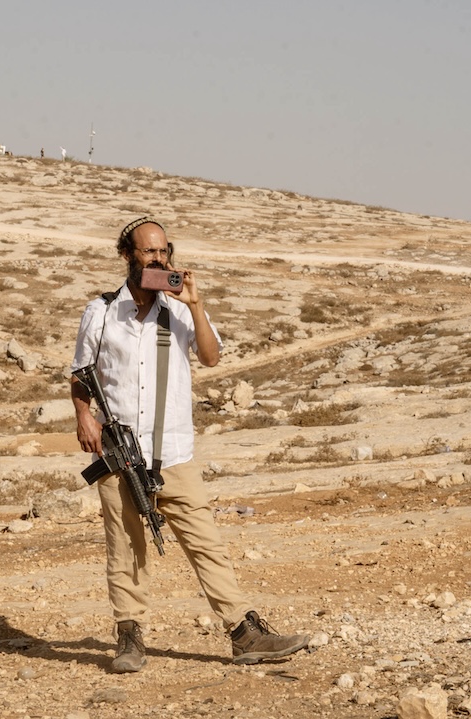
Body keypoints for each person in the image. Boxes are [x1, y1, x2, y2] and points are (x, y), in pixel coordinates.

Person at [71, 216, 310, 674]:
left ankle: (245, 633)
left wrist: (197, 305)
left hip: (173, 454)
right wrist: (85, 418)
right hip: (119, 455)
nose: (159, 259)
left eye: (164, 252)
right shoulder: (100, 312)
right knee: (126, 548)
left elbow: (210, 355)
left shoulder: (180, 310)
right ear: (127, 255)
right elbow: (81, 374)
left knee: (207, 544)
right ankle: (129, 637)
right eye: (148, 252)